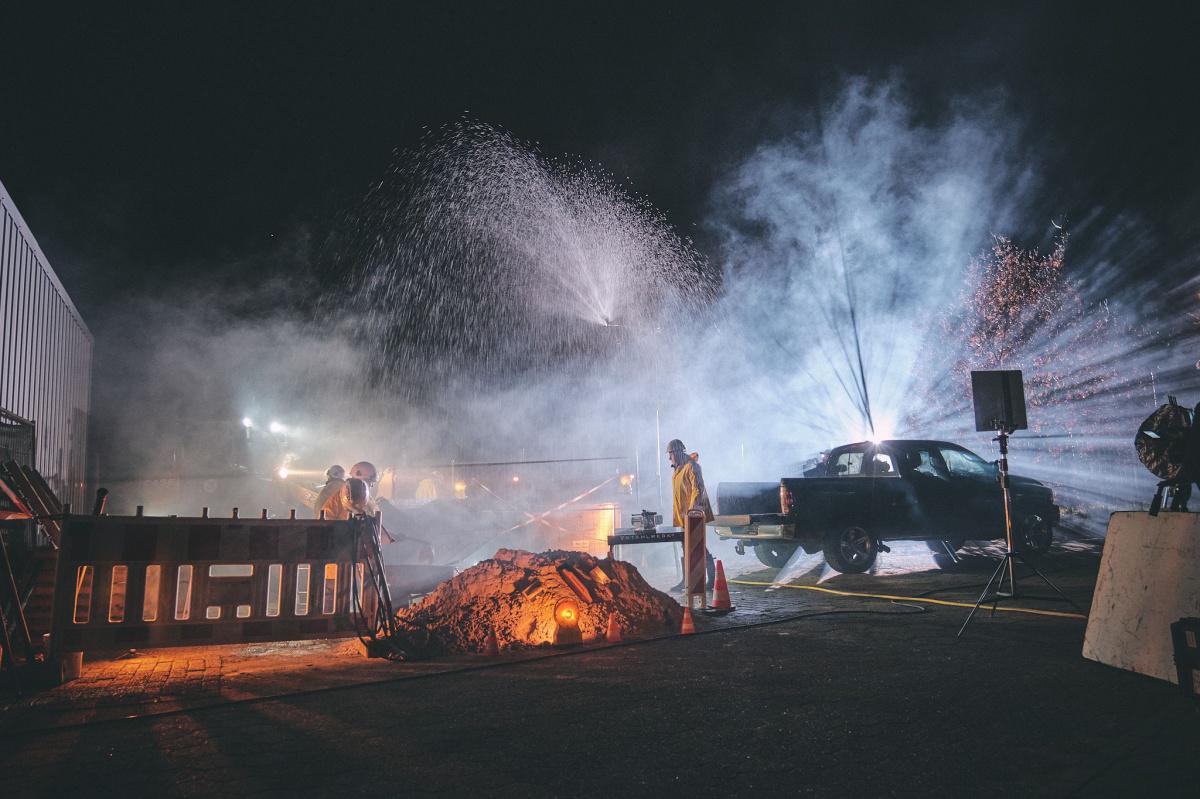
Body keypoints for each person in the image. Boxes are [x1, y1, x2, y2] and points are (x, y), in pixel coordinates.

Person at [667, 438, 716, 592]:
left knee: (699, 547)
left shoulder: (692, 467)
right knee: (685, 546)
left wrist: (693, 511)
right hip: (683, 516)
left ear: (677, 452)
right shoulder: (677, 470)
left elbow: (697, 489)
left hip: (693, 515)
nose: (669, 458)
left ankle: (712, 580)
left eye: (670, 454)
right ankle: (686, 580)